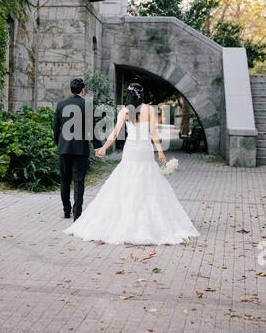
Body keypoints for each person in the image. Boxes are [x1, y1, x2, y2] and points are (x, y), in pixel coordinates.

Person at [63, 83, 200, 245]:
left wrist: (104, 148)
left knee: (127, 180)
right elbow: (153, 133)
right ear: (142, 95)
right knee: (148, 182)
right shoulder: (150, 110)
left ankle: (125, 218)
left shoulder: (125, 111)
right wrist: (161, 152)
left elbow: (115, 133)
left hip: (131, 150)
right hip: (144, 150)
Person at [53, 78, 101, 220]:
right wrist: (98, 146)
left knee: (65, 180)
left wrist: (59, 143)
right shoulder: (87, 105)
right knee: (79, 181)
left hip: (64, 148)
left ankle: (66, 210)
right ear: (82, 90)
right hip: (80, 149)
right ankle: (77, 213)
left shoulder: (61, 104)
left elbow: (55, 127)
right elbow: (91, 129)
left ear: (71, 89)